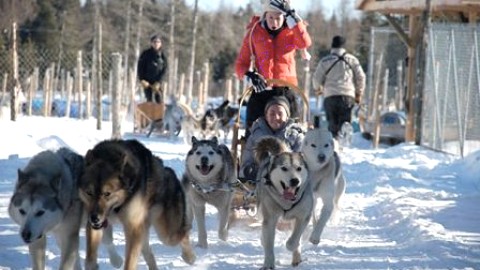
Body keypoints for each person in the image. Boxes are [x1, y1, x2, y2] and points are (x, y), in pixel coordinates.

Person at [235, 0, 312, 134]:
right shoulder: (254, 33)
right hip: (262, 88)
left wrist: (292, 16)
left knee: (293, 132)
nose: (274, 22)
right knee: (253, 130)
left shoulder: (293, 31)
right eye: (271, 17)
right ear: (265, 15)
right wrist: (250, 76)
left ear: (284, 17)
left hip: (287, 88)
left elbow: (305, 42)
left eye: (278, 18)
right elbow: (240, 65)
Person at [312, 35, 366, 139]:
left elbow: (316, 78)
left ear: (332, 46)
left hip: (330, 95)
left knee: (332, 123)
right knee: (345, 122)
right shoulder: (352, 60)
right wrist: (359, 93)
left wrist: (318, 89)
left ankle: (334, 141)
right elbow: (361, 77)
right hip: (348, 95)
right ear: (344, 47)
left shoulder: (325, 61)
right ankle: (344, 139)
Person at [240, 96, 305, 180]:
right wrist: (250, 171)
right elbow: (246, 164)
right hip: (260, 182)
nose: (276, 117)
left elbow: (301, 164)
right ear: (266, 116)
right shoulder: (256, 135)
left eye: (280, 113)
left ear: (287, 116)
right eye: (272, 114)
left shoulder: (296, 136)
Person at [137, 34, 168, 103]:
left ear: (161, 44)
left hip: (158, 82)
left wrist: (159, 82)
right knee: (149, 100)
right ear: (151, 43)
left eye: (158, 42)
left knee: (159, 100)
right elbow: (140, 68)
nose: (156, 44)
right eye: (154, 42)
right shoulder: (145, 54)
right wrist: (142, 79)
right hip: (147, 82)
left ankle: (160, 113)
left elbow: (165, 69)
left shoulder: (163, 55)